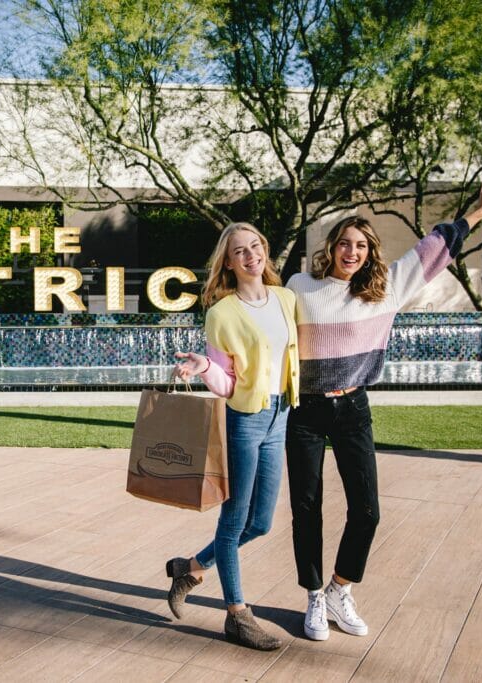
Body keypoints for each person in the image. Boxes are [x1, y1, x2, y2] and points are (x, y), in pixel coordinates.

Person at [286, 180, 482, 641]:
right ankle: (312, 598)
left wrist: (477, 213)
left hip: (353, 409)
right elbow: (267, 331)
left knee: (367, 511)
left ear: (370, 252)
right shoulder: (301, 286)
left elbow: (433, 247)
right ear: (332, 246)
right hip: (306, 411)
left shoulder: (386, 288)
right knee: (307, 509)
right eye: (344, 242)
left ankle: (339, 588)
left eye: (360, 245)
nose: (351, 251)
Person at [168, 222, 300, 650]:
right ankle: (237, 615)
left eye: (256, 246)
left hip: (280, 414)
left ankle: (190, 566)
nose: (250, 255)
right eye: (239, 251)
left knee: (260, 522)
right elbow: (228, 381)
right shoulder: (221, 313)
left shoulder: (286, 299)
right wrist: (203, 368)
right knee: (234, 521)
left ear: (265, 251)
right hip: (244, 420)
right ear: (228, 261)